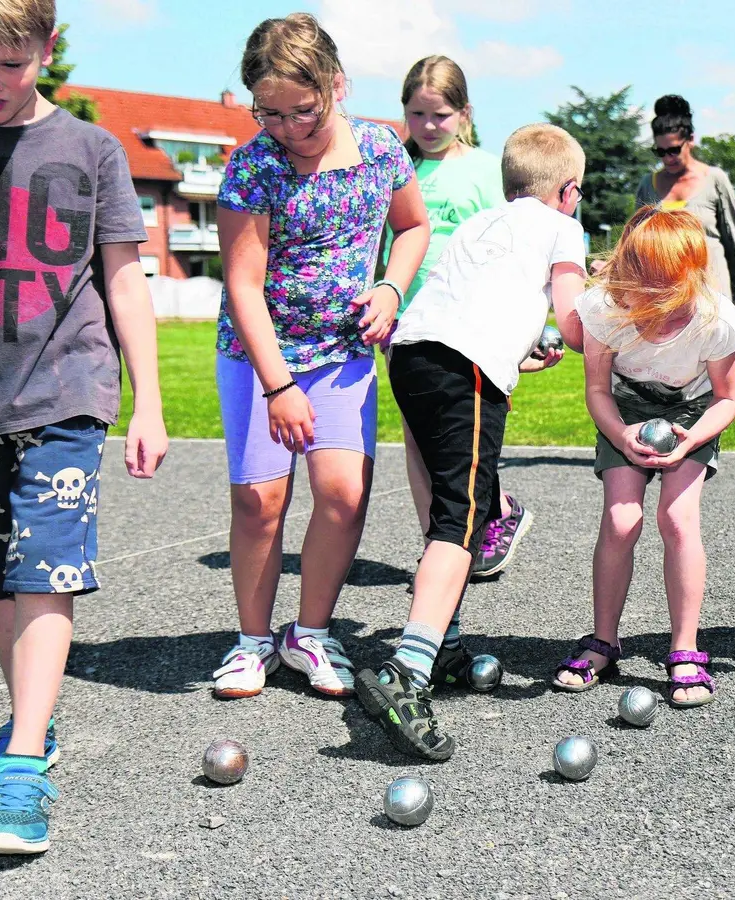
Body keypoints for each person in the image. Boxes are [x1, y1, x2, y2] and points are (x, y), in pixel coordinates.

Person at [0, 0, 169, 853]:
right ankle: (32, 720)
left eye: (11, 64)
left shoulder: (93, 149)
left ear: (47, 48)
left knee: (44, 571)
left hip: (65, 391)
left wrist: (147, 400)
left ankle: (23, 762)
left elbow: (125, 280)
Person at [210, 13, 428, 700]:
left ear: (337, 84)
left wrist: (391, 286)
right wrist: (279, 386)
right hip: (260, 357)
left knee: (342, 494)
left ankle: (309, 632)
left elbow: (413, 227)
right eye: (268, 113)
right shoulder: (254, 166)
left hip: (341, 352)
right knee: (259, 501)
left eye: (302, 111)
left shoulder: (381, 149)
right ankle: (252, 641)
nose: (287, 128)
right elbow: (243, 285)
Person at [354, 123, 588, 762]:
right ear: (569, 190)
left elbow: (471, 305)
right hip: (466, 370)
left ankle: (445, 644)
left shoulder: (480, 223)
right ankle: (408, 669)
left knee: (442, 508)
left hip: (411, 356)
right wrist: (621, 323)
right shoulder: (562, 227)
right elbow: (573, 324)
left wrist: (519, 349)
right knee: (459, 522)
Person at [551, 207, 735, 707]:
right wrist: (621, 435)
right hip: (624, 409)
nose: (661, 307)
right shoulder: (603, 309)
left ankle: (684, 648)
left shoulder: (715, 319)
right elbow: (597, 390)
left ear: (692, 279)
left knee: (677, 519)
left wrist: (689, 440)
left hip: (693, 413)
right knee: (621, 522)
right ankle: (603, 641)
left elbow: (727, 400)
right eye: (649, 292)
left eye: (672, 295)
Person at [388, 55, 535, 589]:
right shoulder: (395, 169)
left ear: (465, 113)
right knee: (418, 441)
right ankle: (438, 546)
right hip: (406, 323)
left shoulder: (486, 171)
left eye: (441, 115)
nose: (428, 125)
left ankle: (493, 516)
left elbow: (510, 248)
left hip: (469, 325)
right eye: (417, 114)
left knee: (462, 439)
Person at [635, 95, 735, 320]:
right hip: (665, 288)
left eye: (674, 150)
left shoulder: (715, 179)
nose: (668, 158)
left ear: (690, 140)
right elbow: (635, 239)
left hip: (712, 282)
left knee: (717, 339)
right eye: (660, 152)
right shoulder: (647, 184)